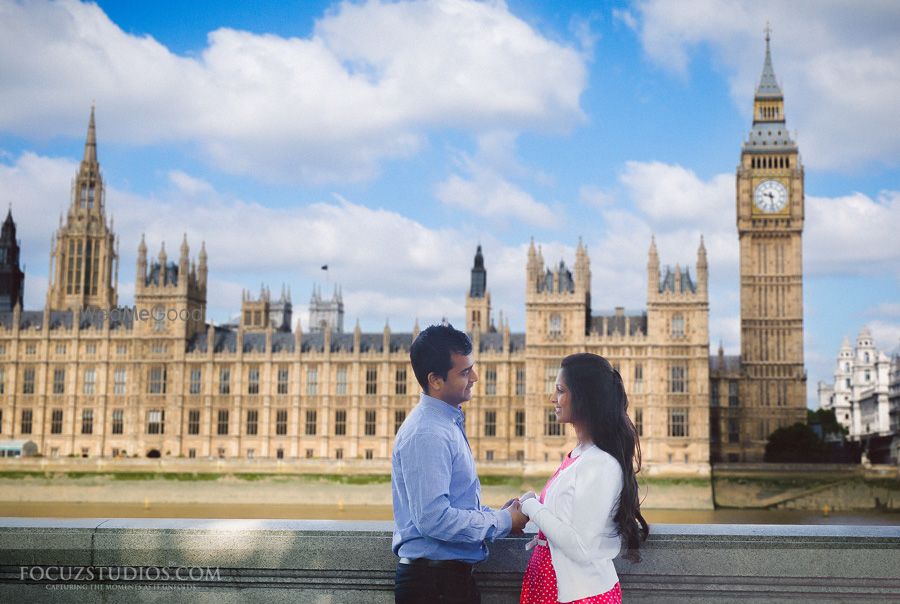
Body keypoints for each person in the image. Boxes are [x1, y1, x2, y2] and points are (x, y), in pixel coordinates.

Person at [392, 323, 528, 603]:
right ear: (436, 380)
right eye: (465, 372)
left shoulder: (446, 424)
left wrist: (496, 516)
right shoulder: (427, 432)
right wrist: (502, 520)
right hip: (435, 586)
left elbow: (454, 505)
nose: (475, 377)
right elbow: (434, 519)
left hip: (447, 581)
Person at [519, 353, 648, 604]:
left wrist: (530, 506)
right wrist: (533, 503)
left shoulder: (600, 463)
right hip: (551, 588)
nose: (552, 398)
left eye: (560, 390)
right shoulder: (579, 454)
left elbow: (581, 547)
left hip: (579, 595)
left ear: (584, 398)